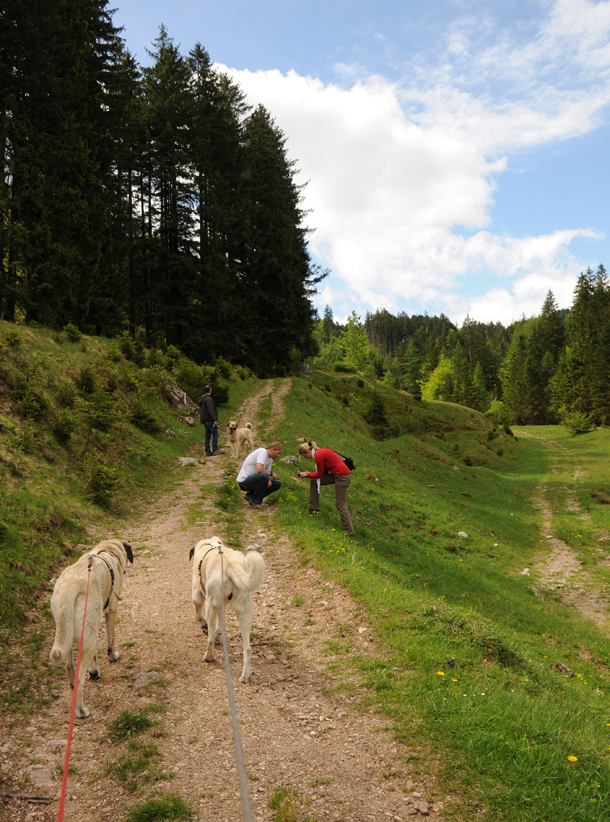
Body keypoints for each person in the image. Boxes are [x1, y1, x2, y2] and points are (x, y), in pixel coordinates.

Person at [297, 441, 354, 535]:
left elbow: (319, 474)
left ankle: (349, 530)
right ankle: (313, 509)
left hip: (342, 477)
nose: (306, 458)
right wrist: (309, 474)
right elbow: (324, 473)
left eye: (304, 456)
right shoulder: (320, 452)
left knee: (340, 504)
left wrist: (306, 475)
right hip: (337, 475)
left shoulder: (318, 455)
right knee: (314, 481)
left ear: (308, 452)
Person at [237, 442, 283, 509]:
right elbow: (259, 469)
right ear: (272, 449)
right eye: (278, 453)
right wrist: (271, 474)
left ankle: (252, 495)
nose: (279, 455)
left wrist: (269, 480)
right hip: (244, 482)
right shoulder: (262, 452)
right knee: (265, 475)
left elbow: (267, 472)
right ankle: (256, 502)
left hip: (254, 481)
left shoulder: (270, 459)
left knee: (277, 484)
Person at [198, 385, 224, 457]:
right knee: (215, 433)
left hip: (204, 420)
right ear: (210, 391)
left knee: (208, 436)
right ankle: (215, 449)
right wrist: (214, 419)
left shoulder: (202, 399)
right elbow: (210, 410)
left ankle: (208, 451)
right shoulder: (208, 399)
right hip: (209, 420)